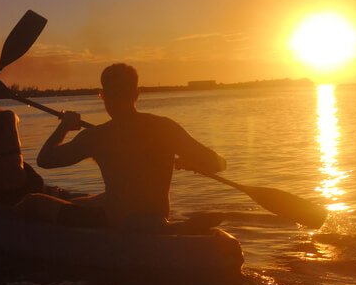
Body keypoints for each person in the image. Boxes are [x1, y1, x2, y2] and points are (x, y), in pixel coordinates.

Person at [17, 63, 226, 230]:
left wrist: (63, 127)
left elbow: (45, 160)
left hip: (117, 222)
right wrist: (192, 162)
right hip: (157, 217)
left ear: (104, 96)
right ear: (136, 94)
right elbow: (217, 163)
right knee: (84, 201)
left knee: (33, 201)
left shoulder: (96, 136)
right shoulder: (165, 126)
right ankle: (175, 228)